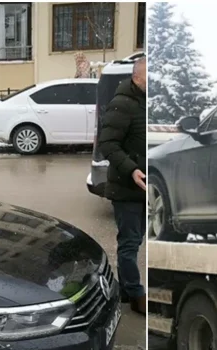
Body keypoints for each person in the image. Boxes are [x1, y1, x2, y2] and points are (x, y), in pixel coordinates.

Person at [98, 57, 147, 314]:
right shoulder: (122, 104)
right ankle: (137, 294)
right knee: (129, 243)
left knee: (136, 240)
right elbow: (108, 145)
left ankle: (128, 291)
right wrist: (132, 169)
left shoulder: (145, 103)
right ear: (138, 77)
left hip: (145, 187)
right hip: (127, 186)